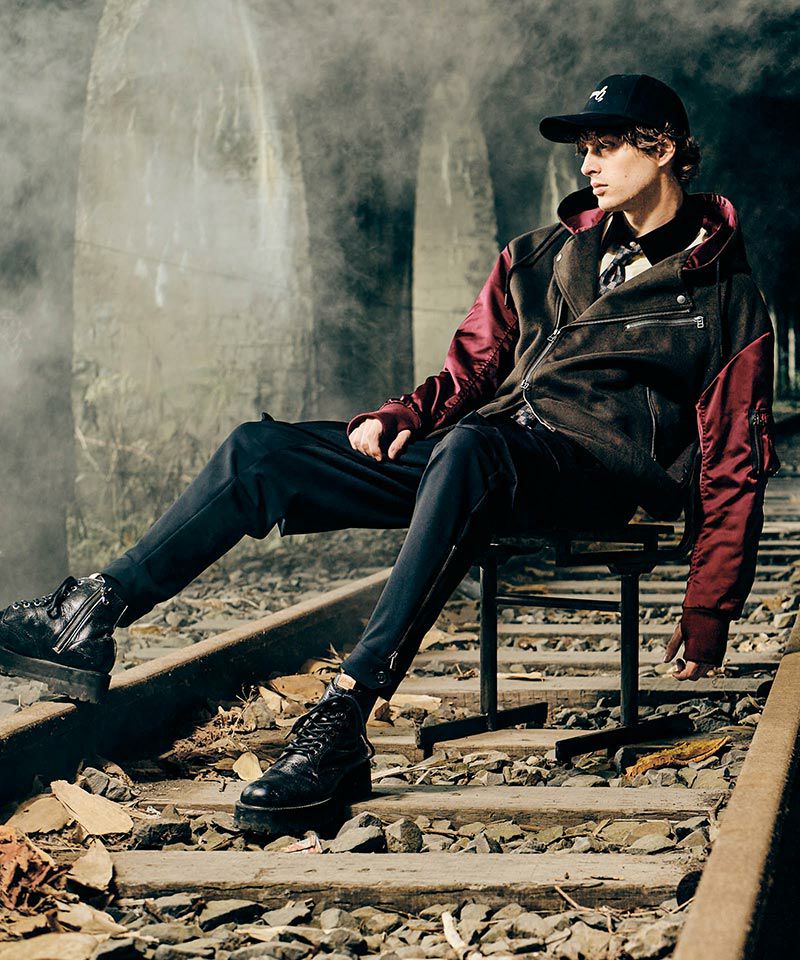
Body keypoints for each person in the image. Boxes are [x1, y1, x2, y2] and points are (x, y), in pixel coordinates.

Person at [0, 74, 779, 832]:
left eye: (605, 147)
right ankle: (94, 610)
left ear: (664, 147)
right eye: (584, 150)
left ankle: (344, 716)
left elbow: (734, 460)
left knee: (471, 449)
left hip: (589, 474)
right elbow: (472, 370)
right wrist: (405, 413)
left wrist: (709, 603)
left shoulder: (725, 296)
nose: (588, 166)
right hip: (486, 451)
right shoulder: (538, 254)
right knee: (262, 451)